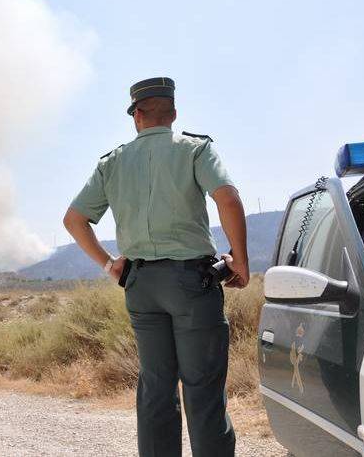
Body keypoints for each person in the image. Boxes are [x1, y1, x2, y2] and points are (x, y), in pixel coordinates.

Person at [63, 77, 249, 457]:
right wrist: (241, 262)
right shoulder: (195, 151)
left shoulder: (112, 163)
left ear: (137, 116)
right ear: (174, 113)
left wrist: (109, 265)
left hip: (141, 286)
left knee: (155, 390)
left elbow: (74, 219)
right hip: (192, 284)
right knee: (202, 390)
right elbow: (227, 199)